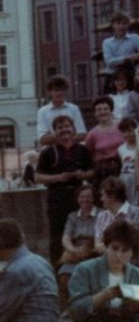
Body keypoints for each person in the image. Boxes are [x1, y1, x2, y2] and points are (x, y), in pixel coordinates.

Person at [35, 113, 94, 264]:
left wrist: (81, 174)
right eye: (60, 127)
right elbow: (38, 177)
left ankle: (80, 264)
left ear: (73, 129)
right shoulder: (48, 152)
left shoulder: (82, 150)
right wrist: (58, 178)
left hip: (79, 197)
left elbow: (93, 171)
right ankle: (57, 267)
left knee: (81, 232)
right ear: (55, 131)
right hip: (57, 197)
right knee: (57, 234)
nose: (64, 130)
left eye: (67, 126)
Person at [58, 183, 99, 302]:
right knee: (64, 275)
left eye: (88, 197)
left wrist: (88, 250)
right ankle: (71, 305)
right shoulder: (72, 216)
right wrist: (73, 250)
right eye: (82, 197)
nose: (85, 200)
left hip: (93, 251)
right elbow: (66, 237)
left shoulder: (102, 214)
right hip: (75, 252)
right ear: (77, 199)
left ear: (94, 198)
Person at [85, 96, 124, 195]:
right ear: (95, 113)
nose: (102, 112)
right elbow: (89, 154)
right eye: (99, 110)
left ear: (111, 110)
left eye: (105, 109)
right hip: (103, 170)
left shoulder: (121, 126)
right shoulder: (92, 134)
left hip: (122, 166)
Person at [94, 177, 139, 252]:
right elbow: (97, 245)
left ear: (113, 196)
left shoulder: (136, 213)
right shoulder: (102, 216)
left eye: (103, 195)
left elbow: (136, 242)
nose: (101, 199)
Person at [36, 73, 86, 145]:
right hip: (52, 152)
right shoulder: (42, 112)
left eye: (62, 90)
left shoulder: (74, 109)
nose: (59, 93)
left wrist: (58, 137)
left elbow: (82, 135)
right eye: (56, 90)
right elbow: (43, 139)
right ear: (50, 92)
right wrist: (66, 137)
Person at [118, 117, 139, 205]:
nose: (127, 134)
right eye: (124, 132)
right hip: (126, 179)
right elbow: (123, 165)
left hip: (138, 178)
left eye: (130, 131)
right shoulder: (121, 148)